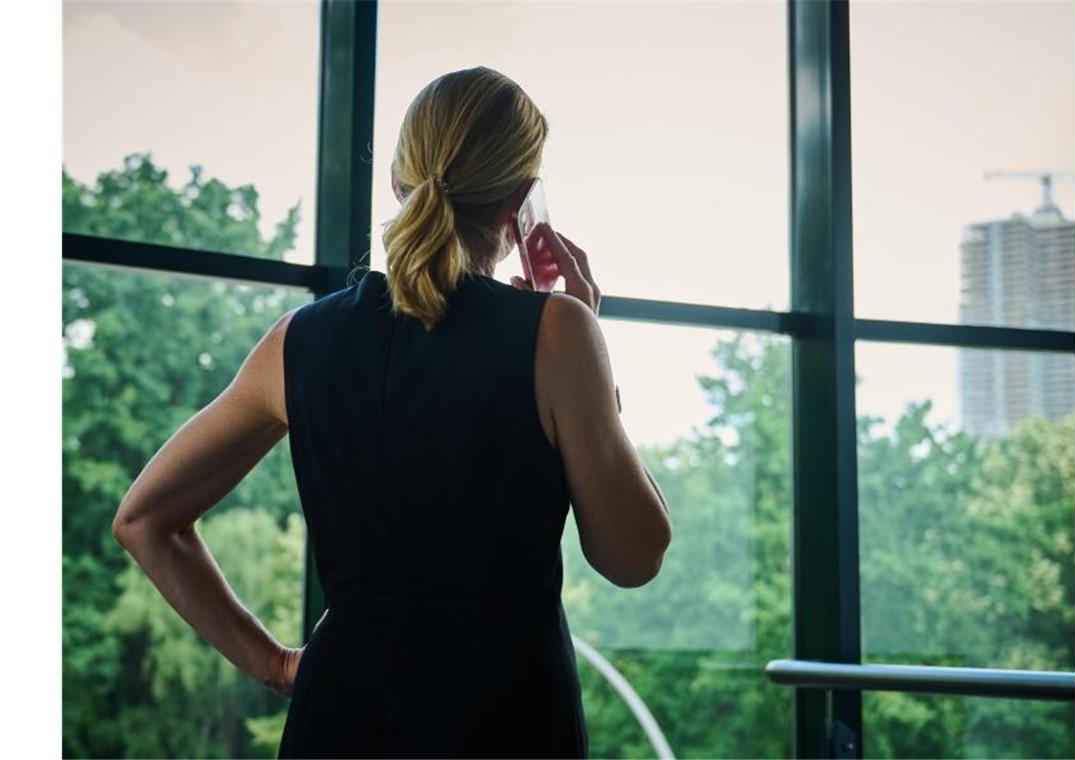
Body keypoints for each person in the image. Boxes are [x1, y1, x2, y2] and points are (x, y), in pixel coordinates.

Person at [111, 65, 672, 759]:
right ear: (524, 201)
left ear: (397, 186)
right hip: (506, 722)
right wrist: (592, 357)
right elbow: (633, 556)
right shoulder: (556, 332)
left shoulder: (299, 340)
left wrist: (277, 666)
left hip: (337, 720)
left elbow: (143, 519)